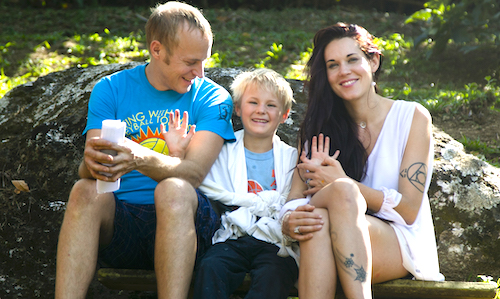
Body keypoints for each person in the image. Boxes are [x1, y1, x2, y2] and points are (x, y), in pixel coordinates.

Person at [54, 2, 235, 298]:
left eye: (204, 61)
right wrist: (92, 163)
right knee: (83, 191)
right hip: (123, 225)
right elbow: (89, 170)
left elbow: (194, 173)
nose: (199, 72)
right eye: (190, 62)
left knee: (172, 190)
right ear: (157, 50)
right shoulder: (111, 89)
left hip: (187, 222)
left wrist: (137, 157)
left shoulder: (214, 98)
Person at [279, 22, 444, 298]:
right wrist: (287, 221)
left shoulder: (412, 117)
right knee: (320, 218)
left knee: (342, 193)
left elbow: (409, 211)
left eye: (352, 59)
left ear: (374, 60)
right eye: (332, 65)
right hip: (326, 236)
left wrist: (344, 184)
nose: (344, 71)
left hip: (398, 243)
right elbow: (295, 200)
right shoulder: (320, 126)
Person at [184, 68, 299, 299]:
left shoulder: (292, 158)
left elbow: (291, 201)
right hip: (233, 235)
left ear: (284, 115)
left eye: (271, 105)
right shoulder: (222, 150)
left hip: (274, 241)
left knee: (275, 274)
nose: (261, 111)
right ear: (238, 108)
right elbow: (207, 184)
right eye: (253, 102)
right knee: (211, 267)